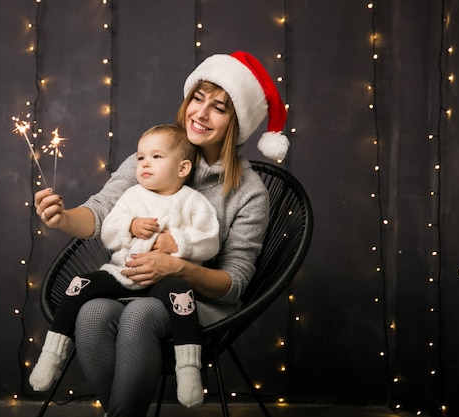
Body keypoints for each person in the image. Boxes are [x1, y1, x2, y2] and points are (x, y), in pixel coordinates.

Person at [34, 51, 289, 417]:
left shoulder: (249, 191)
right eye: (197, 99)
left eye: (219, 107)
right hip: (131, 282)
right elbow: (103, 209)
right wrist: (62, 219)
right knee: (90, 314)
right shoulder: (154, 153)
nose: (200, 113)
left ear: (238, 122)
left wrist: (177, 267)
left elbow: (233, 283)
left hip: (197, 303)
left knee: (140, 315)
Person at [29, 124, 220, 408]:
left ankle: (188, 369)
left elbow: (209, 240)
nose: (144, 163)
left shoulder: (192, 201)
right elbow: (108, 230)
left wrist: (177, 242)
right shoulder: (132, 196)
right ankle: (52, 353)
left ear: (182, 169)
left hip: (165, 279)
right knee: (79, 284)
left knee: (182, 297)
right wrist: (130, 226)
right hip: (124, 274)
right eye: (141, 157)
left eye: (156, 157)